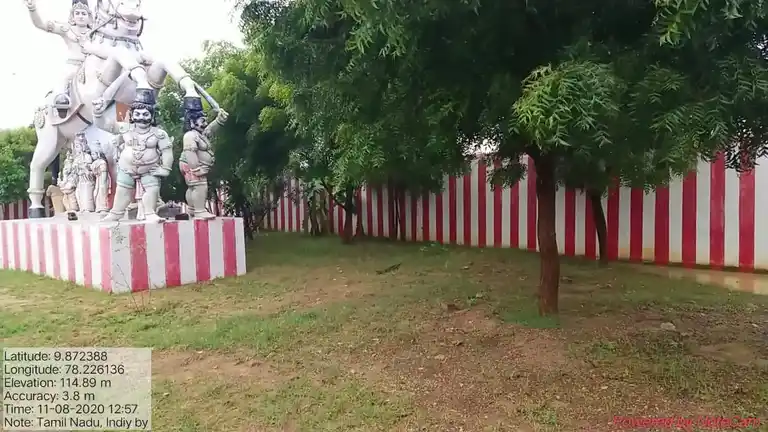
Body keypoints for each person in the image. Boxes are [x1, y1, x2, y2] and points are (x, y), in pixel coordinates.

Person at [92, 90, 173, 223]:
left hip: (150, 169)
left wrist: (165, 168)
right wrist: (98, 113)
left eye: (146, 114)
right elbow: (105, 125)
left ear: (152, 116)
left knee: (152, 190)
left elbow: (167, 151)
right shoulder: (125, 129)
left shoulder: (159, 134)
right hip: (126, 168)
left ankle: (150, 213)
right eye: (138, 114)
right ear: (132, 115)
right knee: (122, 190)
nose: (141, 117)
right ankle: (116, 213)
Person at [24, 0, 93, 112]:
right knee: (63, 83)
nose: (80, 16)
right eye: (77, 13)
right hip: (72, 68)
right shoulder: (66, 30)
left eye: (84, 13)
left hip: (91, 68)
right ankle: (61, 104)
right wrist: (32, 9)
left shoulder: (96, 33)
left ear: (89, 16)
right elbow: (40, 24)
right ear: (72, 16)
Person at [179, 97, 228, 219]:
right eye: (202, 121)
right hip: (191, 165)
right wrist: (196, 169)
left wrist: (219, 119)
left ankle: (193, 209)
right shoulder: (190, 136)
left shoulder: (200, 134)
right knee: (199, 186)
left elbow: (210, 129)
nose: (205, 123)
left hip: (193, 166)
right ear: (191, 122)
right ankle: (199, 210)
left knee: (194, 186)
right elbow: (190, 152)